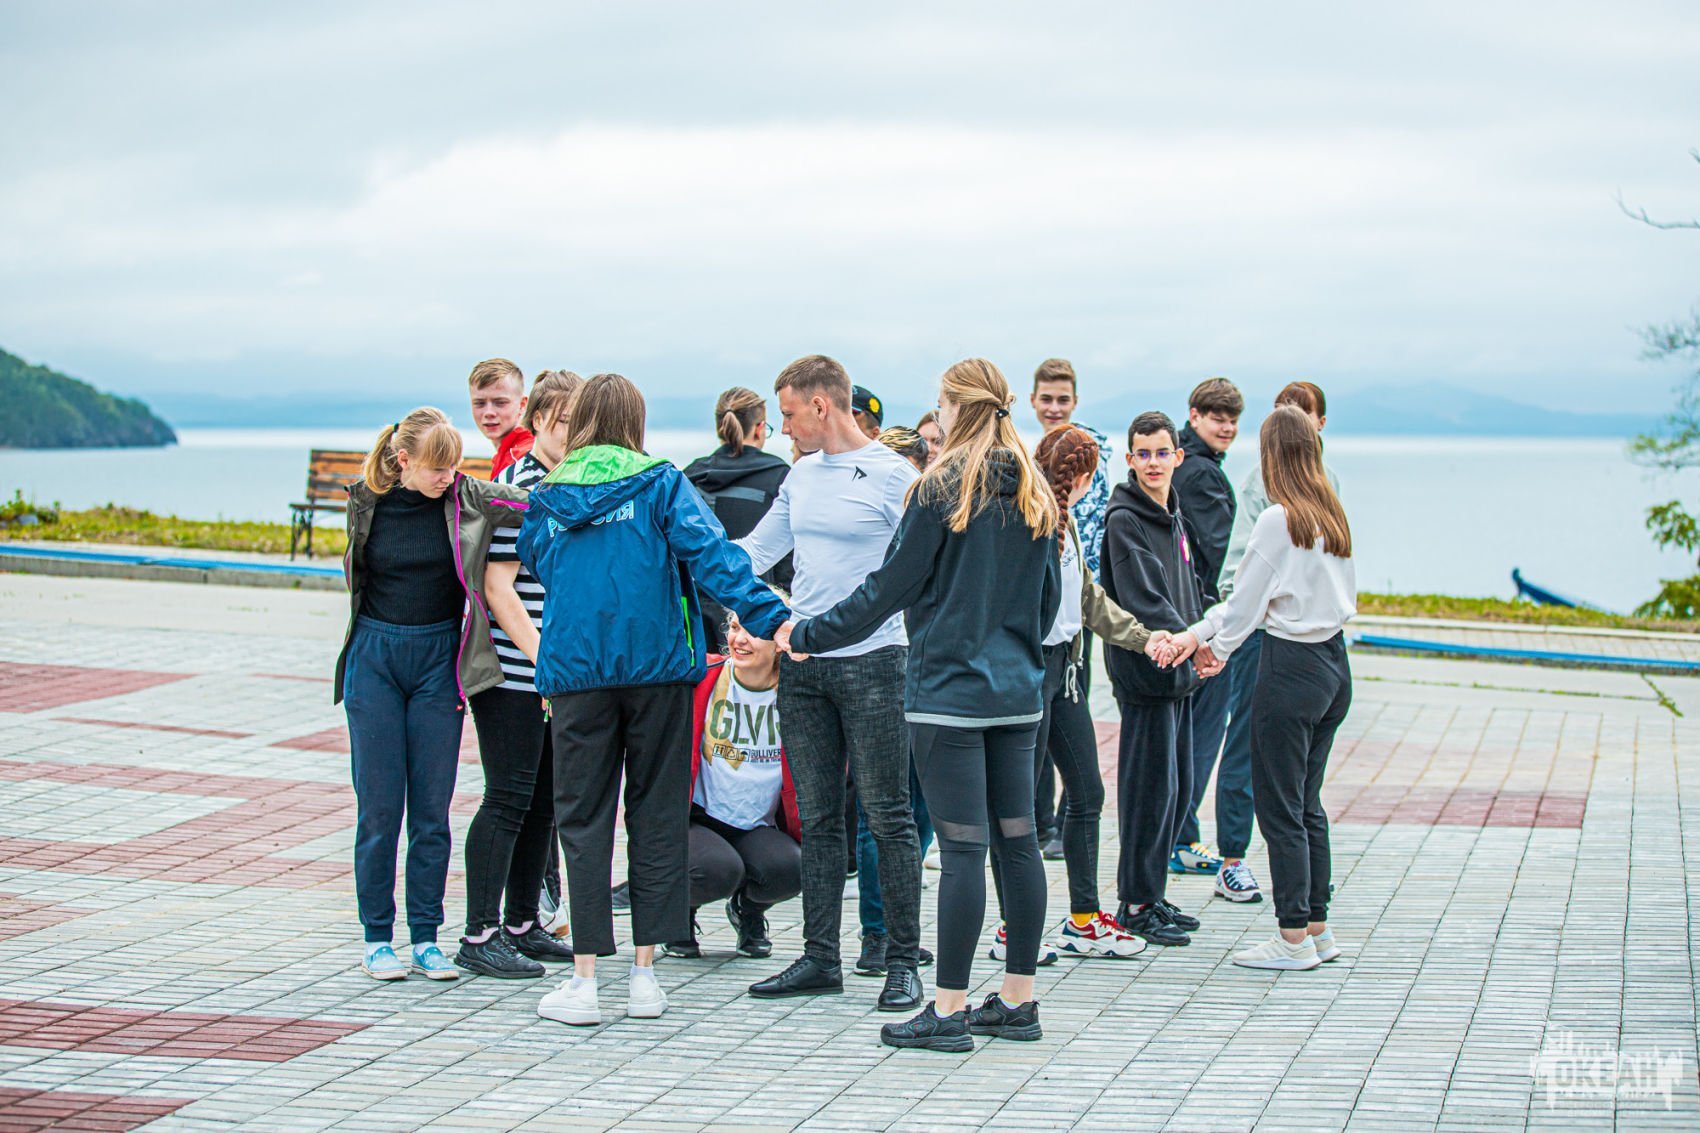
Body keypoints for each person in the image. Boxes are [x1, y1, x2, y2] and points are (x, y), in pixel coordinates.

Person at [780, 357, 1062, 1054]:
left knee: (963, 849)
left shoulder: (938, 488)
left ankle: (949, 1009)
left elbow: (887, 589)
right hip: (1018, 694)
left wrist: (805, 635)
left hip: (948, 696)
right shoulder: (1034, 488)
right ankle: (1018, 1000)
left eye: (941, 402)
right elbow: (1049, 602)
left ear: (955, 408)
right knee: (1018, 842)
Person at [518, 374, 791, 1026]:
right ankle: (644, 975)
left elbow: (536, 560)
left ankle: (585, 980)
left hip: (577, 674)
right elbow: (714, 557)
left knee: (582, 823)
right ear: (635, 422)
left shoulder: (548, 494)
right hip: (659, 671)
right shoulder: (662, 483)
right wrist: (772, 618)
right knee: (657, 816)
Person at [736, 355, 925, 1013]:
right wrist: (686, 557)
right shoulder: (800, 474)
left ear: (821, 405)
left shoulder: (896, 476)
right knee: (817, 817)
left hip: (876, 662)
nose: (784, 428)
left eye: (789, 414)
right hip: (803, 663)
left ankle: (902, 962)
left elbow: (921, 568)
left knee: (888, 814)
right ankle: (820, 957)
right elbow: (756, 552)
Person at [334, 407, 530, 981]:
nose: (448, 477)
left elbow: (530, 504)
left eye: (454, 466)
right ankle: (377, 938)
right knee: (379, 810)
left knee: (431, 811)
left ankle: (425, 937)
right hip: (375, 658)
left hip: (438, 662)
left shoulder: (465, 496)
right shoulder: (366, 502)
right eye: (437, 468)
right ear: (404, 461)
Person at [1159, 405, 1355, 970]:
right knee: (1307, 804)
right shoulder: (1330, 515)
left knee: (1279, 807)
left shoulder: (1277, 519)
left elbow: (1244, 605)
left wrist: (1213, 652)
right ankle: (1317, 927)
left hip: (1290, 668)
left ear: (1273, 454)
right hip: (1333, 665)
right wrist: (1199, 635)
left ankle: (1291, 937)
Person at [988, 426, 1168, 963]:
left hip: (1065, 672)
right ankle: (1010, 928)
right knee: (1017, 808)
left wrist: (1144, 638)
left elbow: (1089, 600)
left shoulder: (1067, 527)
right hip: (1026, 675)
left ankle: (1084, 920)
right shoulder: (1026, 523)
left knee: (1087, 793)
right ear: (1085, 477)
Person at [455, 373, 583, 979]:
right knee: (508, 798)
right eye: (563, 423)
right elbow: (498, 587)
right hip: (513, 673)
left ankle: (523, 923)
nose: (574, 435)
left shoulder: (567, 485)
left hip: (553, 676)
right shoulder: (520, 489)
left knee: (543, 804)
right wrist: (542, 660)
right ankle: (478, 934)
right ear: (537, 421)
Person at [1211, 381, 1340, 904]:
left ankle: (1298, 921)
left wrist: (1211, 645)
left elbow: (1248, 593)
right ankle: (1238, 860)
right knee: (1273, 771)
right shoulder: (1265, 489)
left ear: (1318, 425)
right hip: (1304, 650)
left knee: (1290, 801)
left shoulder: (1311, 498)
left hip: (1288, 649)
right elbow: (1238, 577)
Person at [1100, 410, 1216, 948]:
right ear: (1129, 459)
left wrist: (1207, 634)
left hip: (1181, 676)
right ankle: (1135, 903)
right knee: (1148, 793)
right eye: (1143, 454)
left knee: (1176, 789)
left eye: (1161, 453)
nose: (1153, 463)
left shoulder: (1175, 514)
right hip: (1148, 676)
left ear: (1178, 456)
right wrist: (1192, 643)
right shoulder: (1124, 520)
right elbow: (1144, 598)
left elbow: (1191, 585)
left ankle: (1154, 893)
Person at [664, 611, 804, 960]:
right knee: (716, 871)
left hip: (756, 824)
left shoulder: (798, 693)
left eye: (754, 632)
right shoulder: (703, 674)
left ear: (780, 643)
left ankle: (748, 910)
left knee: (794, 868)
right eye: (736, 628)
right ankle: (678, 915)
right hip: (698, 817)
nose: (739, 639)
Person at [1029, 358, 1113, 857]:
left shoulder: (1091, 455)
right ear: (1033, 401)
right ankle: (1039, 826)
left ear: (1075, 402)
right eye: (1047, 398)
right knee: (1033, 749)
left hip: (1076, 620)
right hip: (1036, 637)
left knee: (1072, 745)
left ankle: (1062, 827)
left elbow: (1095, 534)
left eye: (1063, 399)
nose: (1055, 407)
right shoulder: (1028, 460)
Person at [1169, 378, 1245, 878]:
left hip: (1179, 617)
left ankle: (1178, 835)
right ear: (1194, 415)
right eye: (1218, 418)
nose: (1227, 427)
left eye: (1233, 419)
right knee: (1200, 735)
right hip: (1203, 622)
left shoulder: (1180, 464)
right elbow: (1215, 557)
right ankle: (1181, 837)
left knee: (1182, 735)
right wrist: (1217, 623)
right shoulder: (1202, 474)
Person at [683, 387, 795, 652]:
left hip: (696, 611)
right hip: (755, 612)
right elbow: (789, 561)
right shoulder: (780, 476)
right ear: (759, 428)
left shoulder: (689, 476)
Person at [469, 358, 533, 478]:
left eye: (500, 402)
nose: (489, 412)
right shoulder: (506, 455)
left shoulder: (522, 459)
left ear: (522, 405)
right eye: (479, 403)